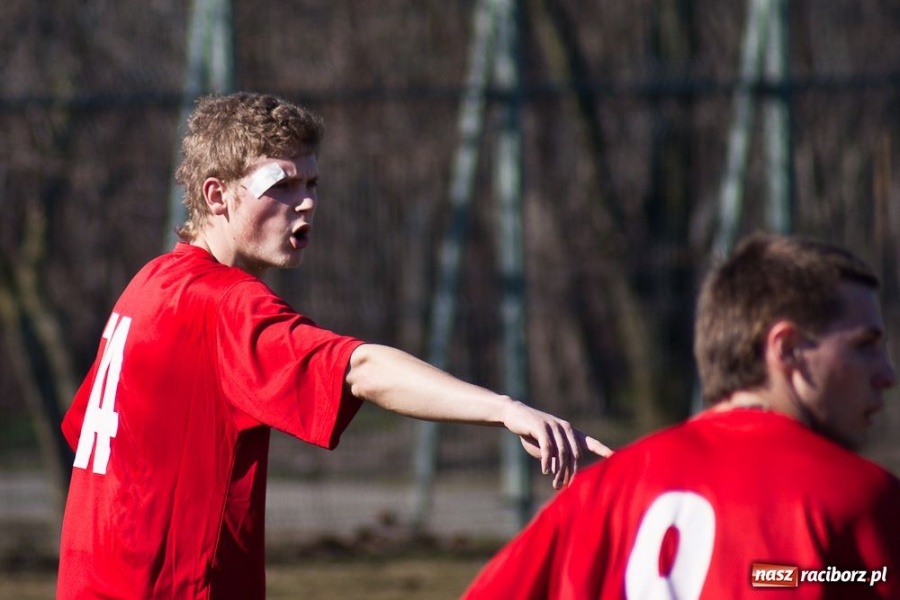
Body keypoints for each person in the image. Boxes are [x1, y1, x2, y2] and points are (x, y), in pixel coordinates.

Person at [56, 92, 610, 599]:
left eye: (311, 184)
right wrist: (505, 410)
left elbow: (89, 435)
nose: (305, 203)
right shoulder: (224, 304)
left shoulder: (150, 283)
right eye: (281, 186)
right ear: (216, 196)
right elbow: (359, 369)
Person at [462, 233, 900, 599]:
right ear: (786, 350)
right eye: (864, 346)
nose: (887, 375)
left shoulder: (599, 493)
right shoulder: (857, 498)